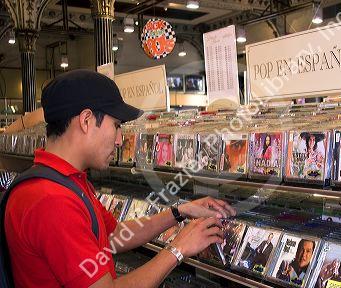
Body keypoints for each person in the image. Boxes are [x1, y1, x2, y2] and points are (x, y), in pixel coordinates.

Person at [4, 70, 236, 288]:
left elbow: (115, 235)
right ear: (86, 121)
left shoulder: (63, 181)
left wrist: (179, 212)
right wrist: (178, 249)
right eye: (116, 126)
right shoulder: (52, 200)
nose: (118, 140)